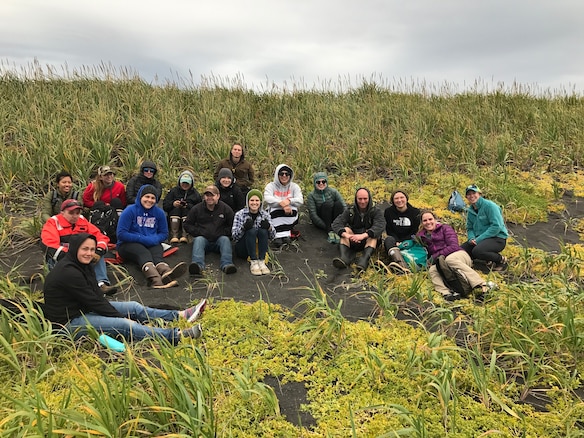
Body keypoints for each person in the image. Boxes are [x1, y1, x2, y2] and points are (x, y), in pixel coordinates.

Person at [43, 233, 206, 344]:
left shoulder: (83, 265)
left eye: (92, 249)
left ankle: (181, 315)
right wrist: (119, 317)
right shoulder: (69, 271)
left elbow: (97, 295)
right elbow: (94, 302)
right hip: (68, 324)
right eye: (84, 249)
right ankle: (175, 336)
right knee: (125, 324)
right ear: (75, 248)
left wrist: (118, 313)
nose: (89, 253)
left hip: (83, 310)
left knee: (133, 307)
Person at [41, 199, 117, 295]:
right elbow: (50, 245)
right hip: (61, 259)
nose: (75, 216)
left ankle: (101, 284)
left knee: (97, 253)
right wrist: (74, 256)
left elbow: (100, 237)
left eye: (77, 212)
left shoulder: (82, 220)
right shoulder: (53, 222)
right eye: (71, 212)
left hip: (81, 257)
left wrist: (98, 251)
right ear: (62, 212)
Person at [117, 185, 187, 288]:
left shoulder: (159, 213)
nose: (149, 200)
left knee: (157, 254)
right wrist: (142, 239)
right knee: (143, 253)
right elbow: (121, 233)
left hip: (151, 242)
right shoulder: (130, 210)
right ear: (140, 197)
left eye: (153, 198)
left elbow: (164, 233)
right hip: (127, 244)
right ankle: (155, 280)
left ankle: (167, 274)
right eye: (147, 197)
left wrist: (154, 239)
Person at [417, 210, 494, 301]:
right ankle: (446, 293)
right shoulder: (422, 237)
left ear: (435, 220)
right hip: (442, 262)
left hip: (459, 255)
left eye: (430, 219)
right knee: (432, 270)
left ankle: (482, 284)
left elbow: (454, 246)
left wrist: (434, 257)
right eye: (425, 220)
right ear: (422, 223)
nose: (428, 222)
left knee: (449, 259)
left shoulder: (445, 228)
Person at [184, 185, 237, 275]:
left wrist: (223, 233)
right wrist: (199, 232)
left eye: (212, 195)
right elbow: (187, 224)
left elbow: (233, 225)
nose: (209, 198)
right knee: (198, 240)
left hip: (219, 240)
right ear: (204, 197)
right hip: (203, 239)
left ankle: (227, 264)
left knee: (225, 240)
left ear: (218, 196)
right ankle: (198, 265)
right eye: (207, 195)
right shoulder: (197, 209)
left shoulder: (225, 209)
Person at [331, 187, 385, 272]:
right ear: (356, 199)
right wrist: (347, 235)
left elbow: (380, 225)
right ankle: (344, 258)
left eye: (365, 199)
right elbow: (336, 223)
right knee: (345, 230)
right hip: (353, 239)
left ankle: (364, 260)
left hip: (368, 240)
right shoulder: (350, 211)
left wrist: (364, 235)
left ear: (369, 198)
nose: (362, 201)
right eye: (360, 199)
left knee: (374, 235)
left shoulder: (376, 211)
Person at [461, 184, 509, 271]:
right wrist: (471, 238)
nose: (471, 196)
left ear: (479, 194)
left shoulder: (490, 206)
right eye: (469, 194)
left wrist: (478, 239)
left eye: (474, 193)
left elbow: (496, 226)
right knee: (461, 251)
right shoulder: (470, 210)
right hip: (479, 239)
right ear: (466, 197)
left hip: (497, 238)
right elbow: (470, 228)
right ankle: (485, 260)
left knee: (477, 251)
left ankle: (501, 260)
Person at [231, 189, 276, 275]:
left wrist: (269, 228)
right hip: (243, 248)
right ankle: (254, 262)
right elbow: (234, 237)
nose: (254, 203)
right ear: (248, 202)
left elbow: (273, 236)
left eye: (257, 200)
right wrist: (243, 228)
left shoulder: (265, 214)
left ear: (260, 202)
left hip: (259, 247)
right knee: (251, 231)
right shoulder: (240, 214)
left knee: (263, 231)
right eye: (252, 200)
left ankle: (261, 261)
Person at [263, 164, 303, 247]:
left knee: (292, 210)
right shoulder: (270, 186)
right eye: (281, 174)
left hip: (290, 212)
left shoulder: (294, 186)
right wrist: (281, 203)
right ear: (277, 175)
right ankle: (277, 235)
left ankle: (286, 233)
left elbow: (300, 200)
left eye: (287, 174)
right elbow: (267, 198)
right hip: (274, 212)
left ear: (290, 175)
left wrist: (289, 201)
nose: (284, 176)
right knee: (275, 210)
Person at [383, 190, 421, 272]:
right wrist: (397, 241)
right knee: (388, 240)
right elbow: (389, 229)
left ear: (406, 199)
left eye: (402, 197)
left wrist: (405, 241)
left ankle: (402, 264)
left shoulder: (415, 212)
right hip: (395, 241)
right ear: (393, 201)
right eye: (396, 198)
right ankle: (401, 265)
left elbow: (415, 231)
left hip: (410, 239)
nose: (399, 200)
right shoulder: (388, 212)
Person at [162, 170, 201, 244]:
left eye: (187, 183)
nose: (185, 185)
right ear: (179, 182)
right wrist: (173, 204)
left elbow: (199, 209)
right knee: (175, 211)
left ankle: (185, 235)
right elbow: (165, 205)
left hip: (188, 218)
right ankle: (174, 235)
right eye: (183, 182)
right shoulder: (173, 191)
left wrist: (188, 205)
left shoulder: (195, 194)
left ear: (191, 183)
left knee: (187, 212)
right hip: (173, 217)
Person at [306, 172, 346, 244]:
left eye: (323, 181)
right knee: (326, 205)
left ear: (326, 182)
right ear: (315, 183)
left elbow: (344, 206)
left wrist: (343, 220)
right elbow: (313, 215)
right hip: (323, 219)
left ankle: (337, 228)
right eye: (318, 182)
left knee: (338, 204)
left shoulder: (334, 191)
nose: (321, 184)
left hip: (334, 217)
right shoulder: (311, 196)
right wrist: (327, 226)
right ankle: (330, 231)